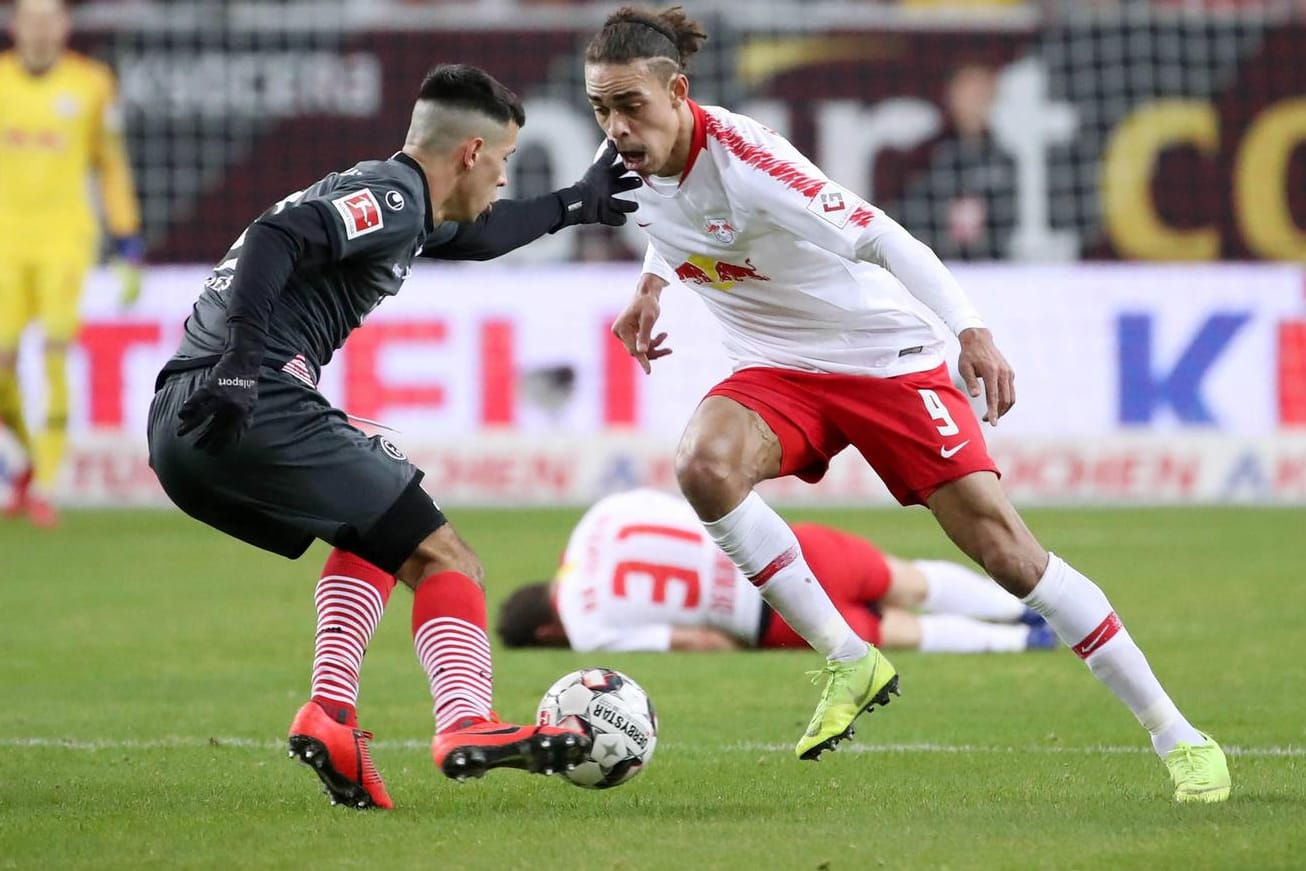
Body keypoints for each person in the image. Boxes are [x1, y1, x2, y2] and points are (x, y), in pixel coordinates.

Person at [584, 6, 1229, 801]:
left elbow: (884, 236)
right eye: (600, 109)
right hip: (778, 370)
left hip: (883, 361)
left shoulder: (750, 160)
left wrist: (973, 331)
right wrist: (649, 286)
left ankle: (1179, 734)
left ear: (678, 91)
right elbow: (670, 214)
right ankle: (849, 658)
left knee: (1009, 556)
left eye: (629, 106)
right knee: (704, 467)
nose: (614, 126)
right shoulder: (624, 159)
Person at [147, 64, 641, 810]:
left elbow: (476, 236)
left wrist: (574, 203)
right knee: (448, 558)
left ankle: (332, 713)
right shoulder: (392, 196)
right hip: (246, 395)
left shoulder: (393, 198)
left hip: (182, 423)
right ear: (472, 153)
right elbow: (277, 238)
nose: (505, 180)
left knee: (380, 512)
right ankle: (464, 718)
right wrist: (247, 361)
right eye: (505, 162)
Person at [498, 488, 1057, 654]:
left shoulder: (589, 628)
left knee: (893, 631)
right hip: (783, 545)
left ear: (548, 631)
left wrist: (736, 643)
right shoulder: (602, 515)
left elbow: (697, 642)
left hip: (768, 616)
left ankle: (1022, 646)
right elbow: (692, 507)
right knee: (908, 580)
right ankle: (1029, 610)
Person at [0, 0, 144, 527]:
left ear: (63, 25)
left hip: (65, 239)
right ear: (14, 26)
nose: (39, 31)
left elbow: (111, 165)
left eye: (48, 19)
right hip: (5, 243)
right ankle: (27, 460)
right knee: (3, 366)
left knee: (56, 351)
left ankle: (44, 484)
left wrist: (127, 239)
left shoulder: (91, 84)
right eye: (29, 20)